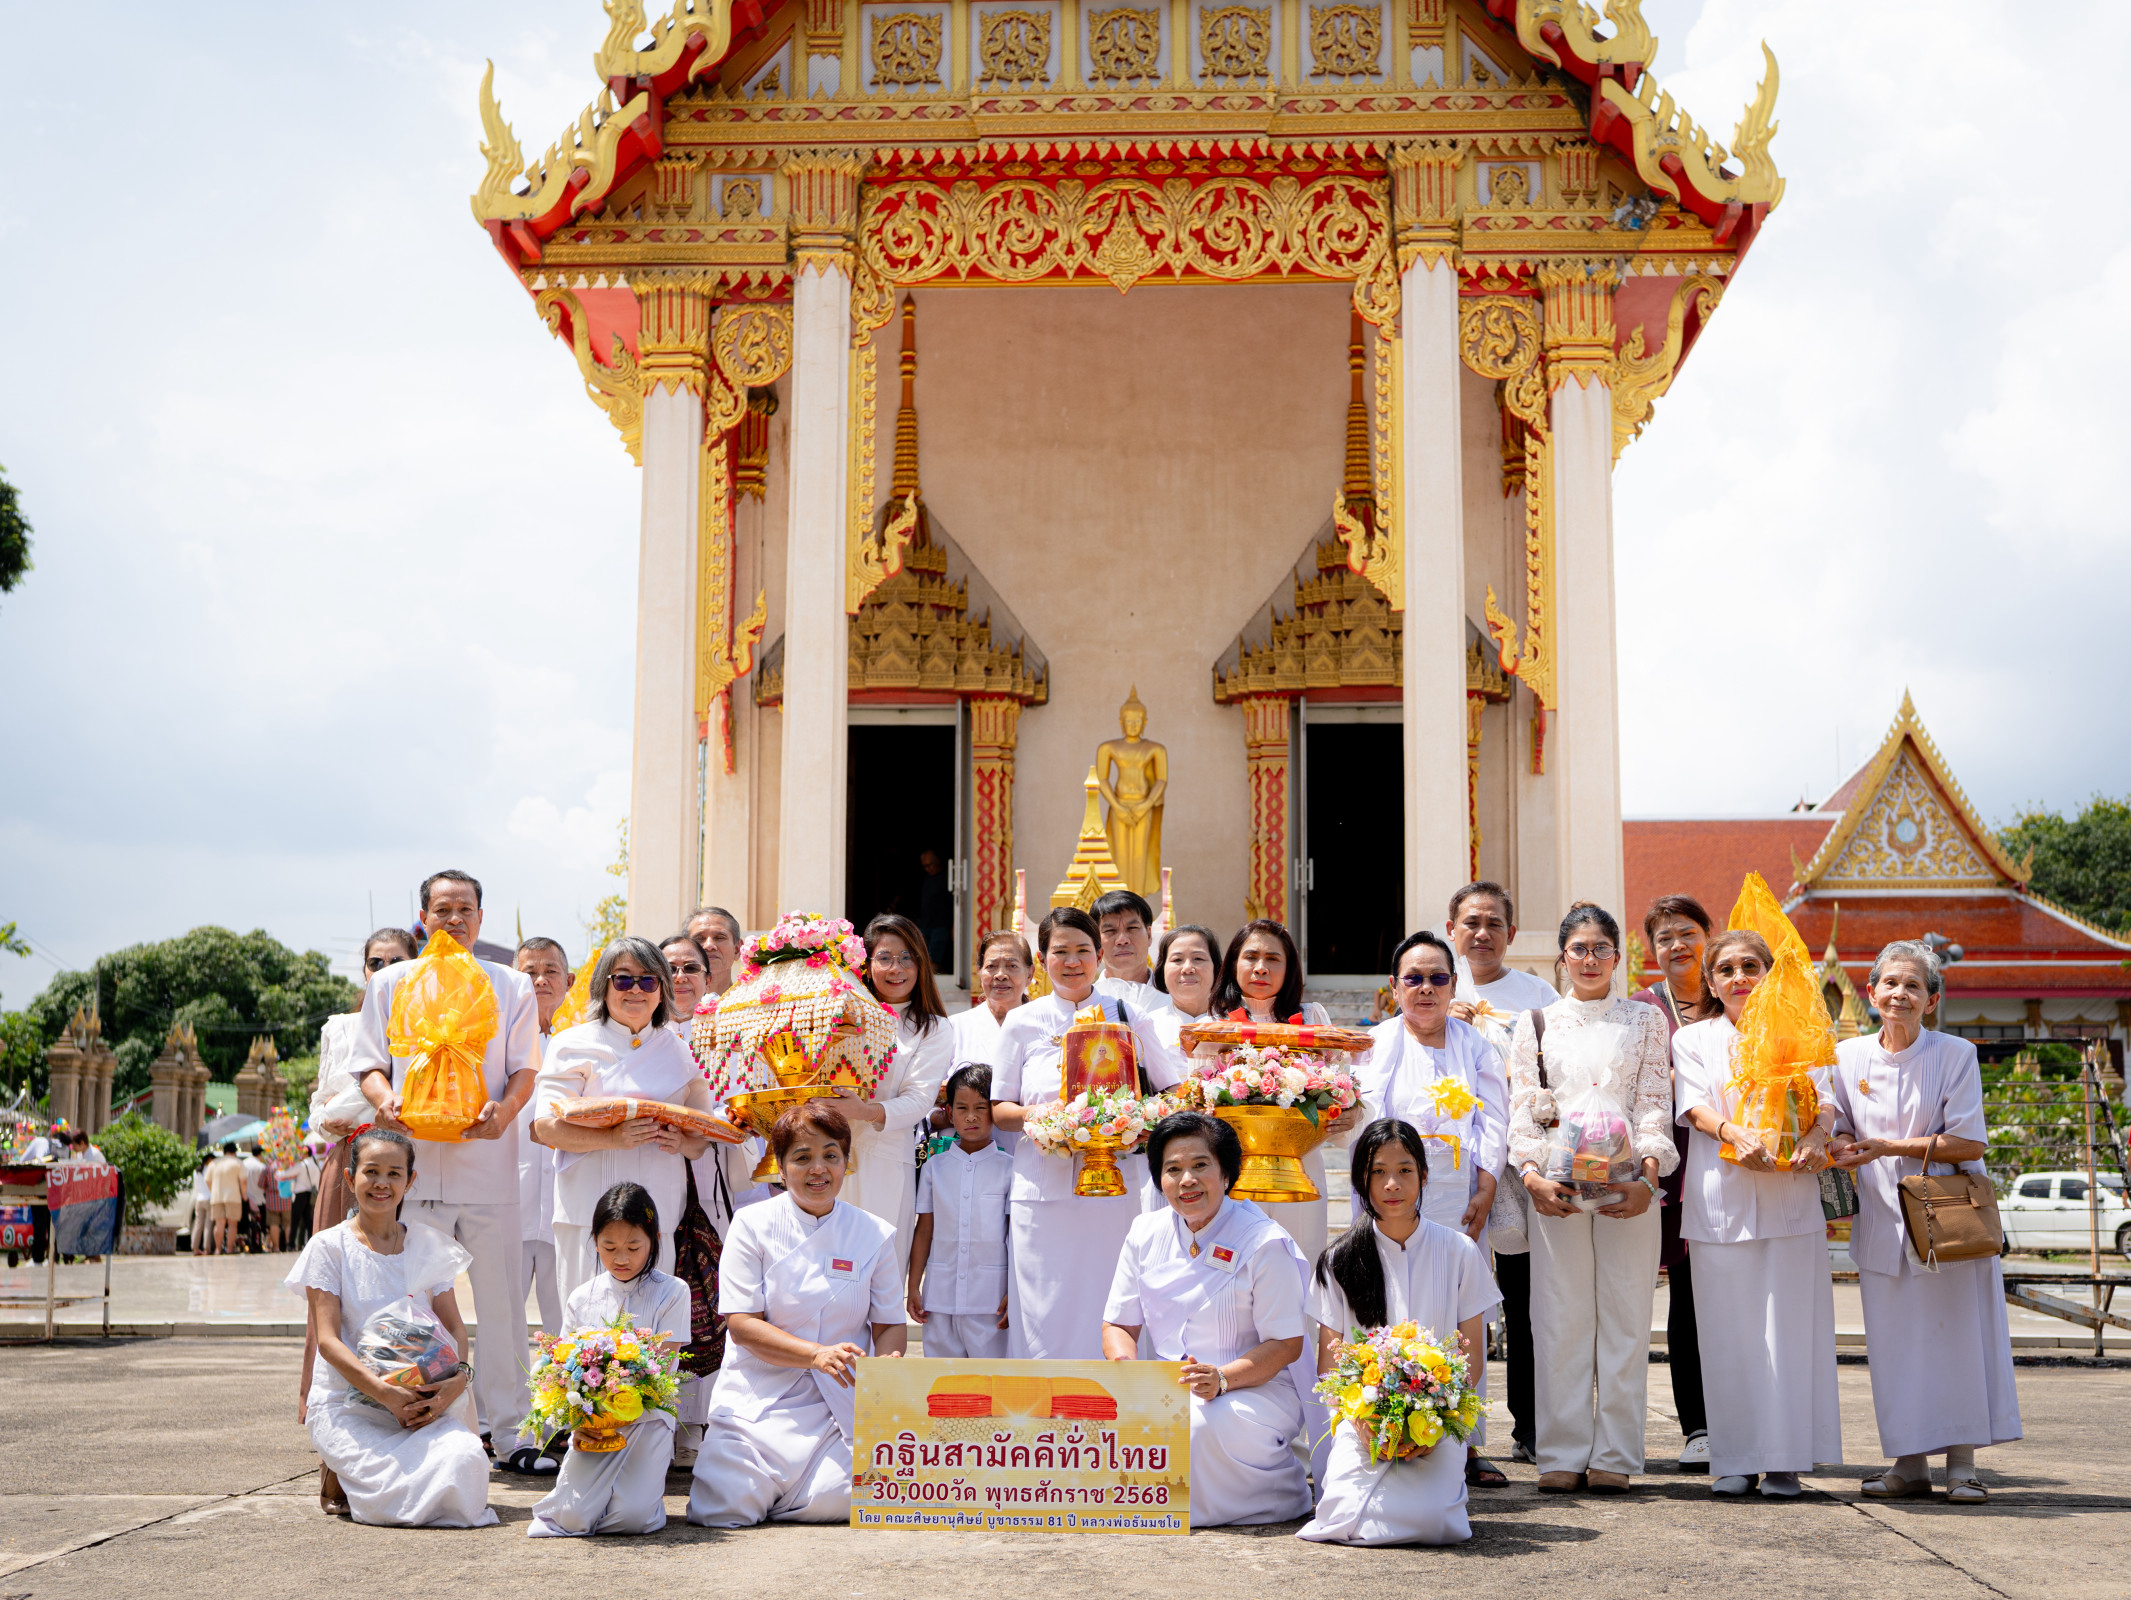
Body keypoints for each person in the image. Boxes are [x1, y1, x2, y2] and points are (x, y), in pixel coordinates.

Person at [352, 870, 540, 1465]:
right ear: (423, 918)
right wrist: (385, 1099)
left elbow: (524, 1068)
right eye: (442, 909)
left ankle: (512, 1434)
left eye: (465, 909)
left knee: (501, 1306)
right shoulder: (393, 983)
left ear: (480, 919)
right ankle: (421, 1424)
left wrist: (505, 1111)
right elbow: (368, 1063)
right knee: (411, 1306)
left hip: (487, 1166)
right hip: (413, 1174)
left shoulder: (510, 984)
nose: (453, 919)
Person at [1830, 941, 2021, 1504]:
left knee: (1955, 1343)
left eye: (1913, 986)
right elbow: (1839, 1125)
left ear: (1931, 1001)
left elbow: (1969, 1141)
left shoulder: (1955, 1054)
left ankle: (1961, 1467)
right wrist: (1842, 1144)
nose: (1901, 994)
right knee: (1895, 1350)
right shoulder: (1847, 1056)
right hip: (1881, 1222)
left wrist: (1889, 1146)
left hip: (1947, 1221)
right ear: (1871, 993)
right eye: (1891, 983)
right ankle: (1908, 1465)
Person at [1506, 903, 1678, 1493]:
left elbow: (1653, 1102)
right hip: (1557, 1184)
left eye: (1601, 948)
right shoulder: (1535, 1024)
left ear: (1617, 956)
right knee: (1559, 1316)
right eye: (1578, 949)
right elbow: (1524, 1107)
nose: (1589, 959)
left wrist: (1647, 1179)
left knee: (1626, 1317)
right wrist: (1531, 1176)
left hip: (1628, 1183)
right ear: (1563, 957)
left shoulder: (1645, 1020)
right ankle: (1561, 1451)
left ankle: (1616, 1455)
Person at [1672, 928, 1841, 1497]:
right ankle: (1736, 1458)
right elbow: (1694, 1105)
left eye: (1751, 966)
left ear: (1770, 975)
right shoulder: (1694, 1039)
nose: (1739, 978)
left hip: (1790, 1198)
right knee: (1727, 1334)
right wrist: (1732, 1132)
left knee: (1788, 1333)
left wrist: (1816, 1136)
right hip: (1721, 1198)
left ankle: (1785, 1460)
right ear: (1711, 982)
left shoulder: (1802, 1033)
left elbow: (1827, 1103)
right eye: (1726, 969)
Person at [686, 1103, 906, 1527]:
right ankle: (768, 1489)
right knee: (724, 1507)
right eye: (802, 1157)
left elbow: (890, 1323)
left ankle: (784, 1496)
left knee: (845, 1498)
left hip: (838, 1400)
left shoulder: (873, 1233)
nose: (818, 1169)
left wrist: (886, 1369)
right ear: (781, 1168)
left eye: (831, 1155)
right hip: (758, 1398)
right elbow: (742, 1325)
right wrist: (816, 1355)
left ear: (846, 1162)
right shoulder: (751, 1224)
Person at [990, 906, 1183, 1358]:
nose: (1072, 962)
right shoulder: (1021, 1021)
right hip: (1042, 1190)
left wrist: (1138, 1121)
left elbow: (1173, 1092)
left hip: (1114, 1189)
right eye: (1060, 952)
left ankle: (1118, 1395)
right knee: (1044, 1310)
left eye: (1082, 950)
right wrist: (1048, 1117)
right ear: (1042, 959)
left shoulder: (1130, 1016)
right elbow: (1000, 1110)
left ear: (1099, 955)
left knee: (1112, 1298)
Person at [1102, 1110, 1312, 1526]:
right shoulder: (1145, 1232)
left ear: (1227, 1173)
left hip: (1257, 1387)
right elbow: (1119, 1325)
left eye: (1200, 1165)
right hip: (1173, 1385)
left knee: (1195, 1427)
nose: (1187, 1180)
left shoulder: (1263, 1241)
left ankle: (1279, 1496)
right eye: (1173, 1169)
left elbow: (1286, 1344)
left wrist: (1221, 1379)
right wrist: (1128, 1373)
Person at [1300, 1119, 1501, 1547]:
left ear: (1424, 1176)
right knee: (1340, 1516)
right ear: (1362, 1180)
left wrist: (1435, 1418)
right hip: (1363, 1424)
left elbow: (1471, 1358)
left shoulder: (1460, 1251)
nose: (1392, 1184)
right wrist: (1364, 1420)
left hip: (1438, 1424)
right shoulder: (1339, 1259)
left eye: (1405, 1170)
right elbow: (1329, 1364)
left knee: (1434, 1522)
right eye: (1378, 1171)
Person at [1359, 929, 1510, 1489]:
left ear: (1453, 986)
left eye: (1438, 978)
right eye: (1414, 978)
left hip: (1458, 1198)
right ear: (1394, 986)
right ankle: (1386, 1426)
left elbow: (1494, 1118)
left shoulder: (1475, 1045)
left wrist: (1486, 1186)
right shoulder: (1374, 1044)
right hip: (1389, 1196)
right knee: (1389, 1310)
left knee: (1459, 1316)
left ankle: (1466, 1443)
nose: (1426, 988)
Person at [289, 1127, 495, 1527]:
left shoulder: (429, 1245)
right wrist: (385, 1393)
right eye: (371, 1172)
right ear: (350, 1178)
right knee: (393, 1495)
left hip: (423, 1406)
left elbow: (454, 1327)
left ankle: (358, 1477)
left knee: (467, 1461)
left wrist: (456, 1382)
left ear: (410, 1181)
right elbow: (328, 1341)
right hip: (351, 1405)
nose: (382, 1183)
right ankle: (339, 1472)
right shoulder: (328, 1248)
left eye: (394, 1174)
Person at [532, 938, 723, 1301]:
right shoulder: (571, 1043)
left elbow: (701, 1135)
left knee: (653, 1325)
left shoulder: (680, 1052)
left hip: (657, 1218)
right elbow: (546, 1127)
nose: (636, 990)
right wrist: (612, 1138)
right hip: (586, 1215)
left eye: (648, 980)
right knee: (587, 1324)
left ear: (661, 990)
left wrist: (682, 1142)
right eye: (623, 979)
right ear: (603, 985)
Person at [1443, 881, 1557, 1465]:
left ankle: (1530, 1424)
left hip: (1517, 1166)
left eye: (1494, 924)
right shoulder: (1433, 986)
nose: (1482, 934)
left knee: (1523, 1296)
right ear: (1451, 931)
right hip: (1445, 1166)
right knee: (1449, 1296)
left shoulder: (1537, 995)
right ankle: (1447, 1427)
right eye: (1471, 923)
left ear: (1511, 933)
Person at [527, 1181, 690, 1538]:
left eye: (634, 1247)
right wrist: (578, 1421)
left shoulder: (673, 1292)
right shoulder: (581, 1297)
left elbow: (663, 1368)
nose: (621, 1258)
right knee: (571, 1517)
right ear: (595, 1241)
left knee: (634, 1520)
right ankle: (603, 1502)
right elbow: (561, 1370)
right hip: (595, 1425)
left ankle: (641, 1501)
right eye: (609, 1247)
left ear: (654, 1241)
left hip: (648, 1420)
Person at [1631, 894, 1718, 1474]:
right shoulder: (1644, 1009)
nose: (1678, 945)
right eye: (1664, 937)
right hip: (1671, 1166)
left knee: (1731, 1296)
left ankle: (1748, 1419)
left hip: (1733, 1163)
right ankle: (1699, 1428)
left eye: (1687, 932)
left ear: (1708, 935)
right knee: (1685, 1296)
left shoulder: (1734, 995)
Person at [1214, 918, 1335, 1262]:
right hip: (1231, 1172)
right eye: (1251, 957)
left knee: (1298, 1264)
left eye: (1273, 958)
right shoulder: (1214, 1024)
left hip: (1300, 1169)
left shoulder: (1311, 1018)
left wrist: (1345, 1113)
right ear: (1233, 963)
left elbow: (1341, 1088)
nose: (1261, 968)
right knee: (1233, 1270)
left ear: (1290, 967)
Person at [848, 913, 955, 1272]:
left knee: (878, 1270)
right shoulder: (842, 1015)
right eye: (885, 958)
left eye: (907, 957)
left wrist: (863, 1111)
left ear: (921, 964)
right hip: (827, 1152)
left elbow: (918, 1100)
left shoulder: (933, 1029)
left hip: (886, 1159)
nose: (897, 968)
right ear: (866, 964)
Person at [313, 929, 422, 1237]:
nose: (384, 970)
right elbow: (319, 1104)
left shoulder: (430, 1027)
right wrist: (325, 1121)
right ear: (364, 971)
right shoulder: (339, 1028)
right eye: (375, 963)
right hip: (351, 1159)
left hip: (409, 1159)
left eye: (396, 962)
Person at [908, 1065, 1012, 1358]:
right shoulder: (934, 1167)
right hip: (939, 1299)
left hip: (991, 1301)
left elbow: (1013, 1236)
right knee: (942, 1379)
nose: (971, 1116)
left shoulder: (1010, 1169)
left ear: (994, 1112)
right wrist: (914, 1285)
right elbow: (924, 1230)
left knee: (991, 1379)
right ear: (950, 1113)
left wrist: (1013, 1291)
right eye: (962, 1108)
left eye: (981, 1107)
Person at [513, 935, 573, 1339]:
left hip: (564, 1206)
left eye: (550, 971)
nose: (540, 980)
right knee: (503, 1322)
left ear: (569, 981)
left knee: (565, 1324)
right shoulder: (495, 1042)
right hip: (509, 1204)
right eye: (529, 972)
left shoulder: (580, 1044)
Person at [948, 930, 1032, 1154]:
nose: (1001, 975)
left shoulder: (1045, 1028)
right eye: (991, 966)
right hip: (968, 1158)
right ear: (979, 971)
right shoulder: (954, 1027)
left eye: (1012, 966)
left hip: (1030, 1153)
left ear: (1030, 973)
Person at [1145, 923, 1221, 1056]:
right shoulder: (1147, 1026)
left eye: (1198, 958)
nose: (1187, 968)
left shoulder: (1236, 1025)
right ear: (1162, 969)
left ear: (1216, 968)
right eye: (1177, 960)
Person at [1093, 889, 1161, 1010]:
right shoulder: (1085, 1002)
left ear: (1149, 935)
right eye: (1110, 931)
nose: (1122, 940)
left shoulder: (1176, 999)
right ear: (1096, 941)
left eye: (1132, 928)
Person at [685, 906, 744, 999]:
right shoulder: (668, 1004)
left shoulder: (756, 1003)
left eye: (719, 937)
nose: (709, 945)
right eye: (700, 938)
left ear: (737, 949)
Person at [917, 848, 955, 971]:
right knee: (922, 958)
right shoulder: (927, 879)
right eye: (925, 866)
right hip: (925, 925)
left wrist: (954, 925)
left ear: (937, 861)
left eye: (930, 865)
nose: (928, 869)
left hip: (941, 926)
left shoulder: (947, 878)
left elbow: (954, 904)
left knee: (935, 959)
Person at [206, 1140, 246, 1256]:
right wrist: (244, 1195)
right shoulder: (237, 1162)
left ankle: (218, 1249)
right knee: (232, 1224)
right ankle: (229, 1249)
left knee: (219, 1223)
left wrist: (213, 1191)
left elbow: (207, 1180)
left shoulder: (214, 1163)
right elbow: (244, 1181)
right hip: (233, 1196)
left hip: (216, 1196)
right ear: (234, 1152)